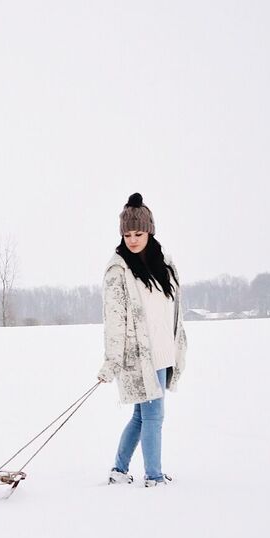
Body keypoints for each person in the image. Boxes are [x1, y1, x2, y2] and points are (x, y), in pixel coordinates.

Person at [97, 192, 188, 487]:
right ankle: (154, 476)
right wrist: (112, 361)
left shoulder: (164, 266)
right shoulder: (119, 271)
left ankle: (119, 470)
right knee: (154, 416)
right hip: (139, 357)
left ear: (149, 231)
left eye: (138, 233)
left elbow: (173, 312)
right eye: (127, 234)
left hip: (163, 353)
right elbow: (115, 321)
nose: (133, 240)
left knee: (141, 416)